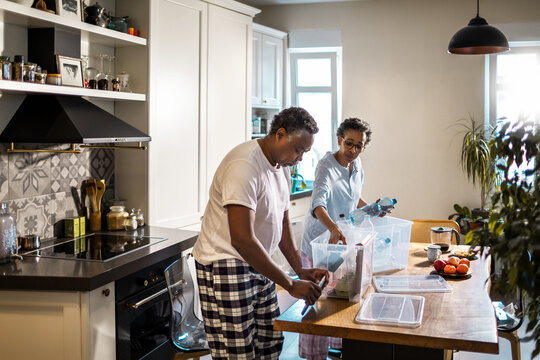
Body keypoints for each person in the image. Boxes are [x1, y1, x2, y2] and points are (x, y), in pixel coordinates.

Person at [192, 107, 329, 360]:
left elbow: (283, 223)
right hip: (225, 262)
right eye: (298, 149)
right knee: (238, 352)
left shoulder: (282, 166)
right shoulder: (244, 166)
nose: (300, 158)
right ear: (280, 134)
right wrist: (289, 284)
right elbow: (242, 240)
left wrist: (299, 270)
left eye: (305, 152)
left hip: (258, 259)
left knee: (270, 342)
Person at [298, 117, 374, 360]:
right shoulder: (326, 166)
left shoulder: (358, 165)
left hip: (341, 242)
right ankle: (312, 354)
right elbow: (318, 203)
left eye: (359, 145)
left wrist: (374, 208)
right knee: (317, 300)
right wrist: (331, 228)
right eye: (348, 143)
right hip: (319, 242)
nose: (353, 150)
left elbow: (353, 201)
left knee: (339, 295)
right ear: (339, 140)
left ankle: (335, 347)